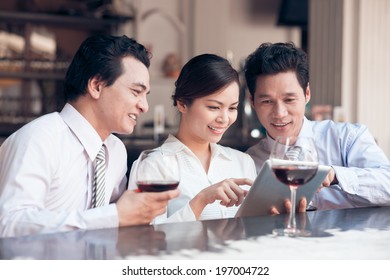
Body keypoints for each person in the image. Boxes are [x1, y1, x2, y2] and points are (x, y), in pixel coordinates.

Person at [0, 34, 179, 237]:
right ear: (96, 86)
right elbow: (9, 224)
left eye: (145, 95)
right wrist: (113, 216)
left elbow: (117, 221)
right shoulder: (39, 139)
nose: (144, 106)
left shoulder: (115, 149)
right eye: (136, 91)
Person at [244, 42, 390, 210]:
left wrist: (336, 175)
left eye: (289, 100)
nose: (280, 113)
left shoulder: (346, 138)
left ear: (307, 94)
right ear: (253, 102)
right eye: (267, 101)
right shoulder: (249, 163)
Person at [129, 54, 256, 223]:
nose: (224, 119)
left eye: (232, 108)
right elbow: (145, 239)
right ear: (182, 103)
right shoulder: (154, 165)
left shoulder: (243, 162)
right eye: (214, 107)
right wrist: (201, 200)